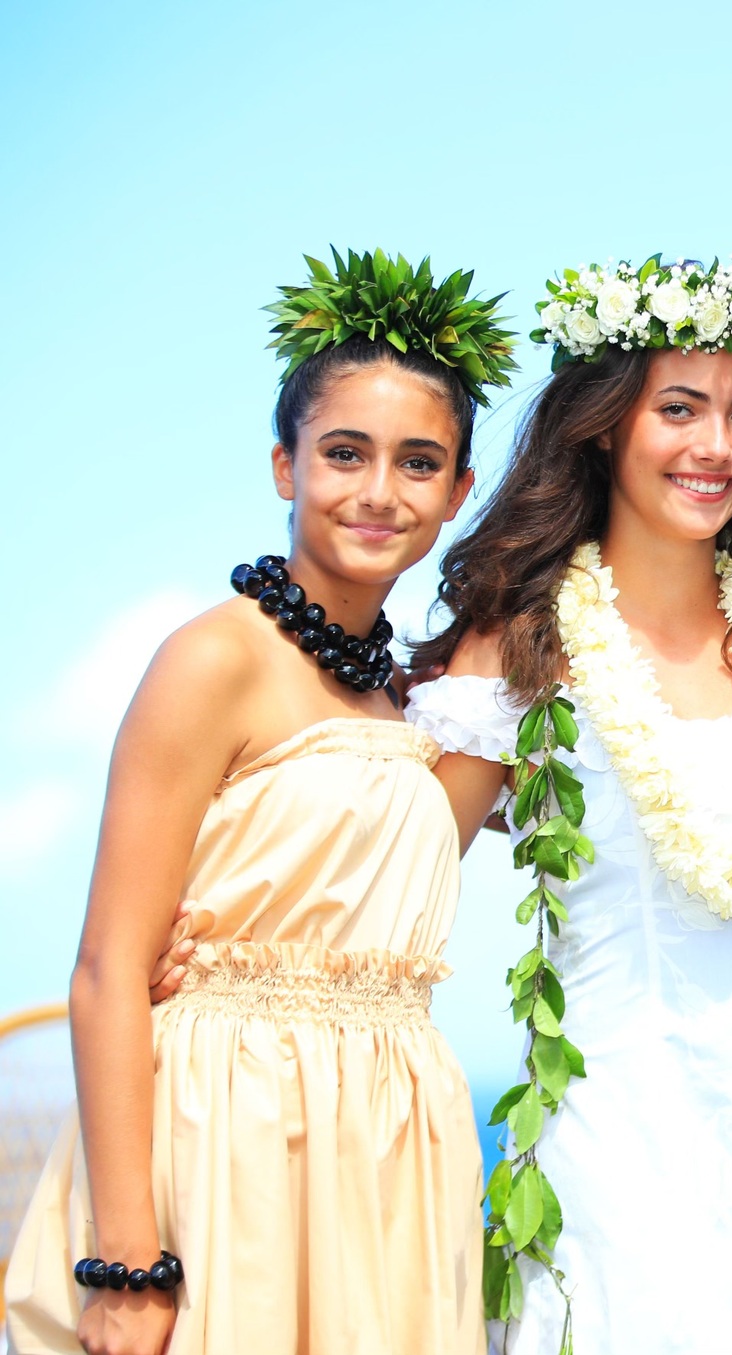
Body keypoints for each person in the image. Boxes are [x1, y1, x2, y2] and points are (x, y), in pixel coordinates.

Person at [402, 256, 732, 1354]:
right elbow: (398, 892)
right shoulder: (522, 646)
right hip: (614, 1145)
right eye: (676, 408)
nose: (715, 447)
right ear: (604, 428)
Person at [4, 249, 513, 1355]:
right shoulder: (212, 660)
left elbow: (422, 855)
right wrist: (127, 1262)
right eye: (344, 452)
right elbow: (105, 971)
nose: (380, 490)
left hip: (388, 1144)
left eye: (419, 462)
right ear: (284, 465)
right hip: (225, 1134)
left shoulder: (413, 703)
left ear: (458, 493)